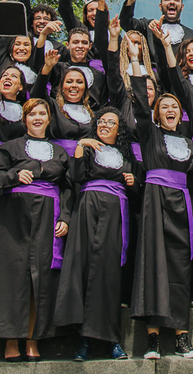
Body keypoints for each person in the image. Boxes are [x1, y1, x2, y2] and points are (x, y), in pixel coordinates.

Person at [119, 20, 193, 360]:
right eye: (164, 108)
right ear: (157, 114)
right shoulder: (150, 135)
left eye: (175, 108)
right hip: (155, 204)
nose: (170, 111)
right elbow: (140, 101)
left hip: (182, 209)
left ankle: (182, 339)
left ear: (180, 115)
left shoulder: (189, 145)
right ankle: (153, 340)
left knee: (180, 269)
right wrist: (138, 59)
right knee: (154, 266)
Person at [0, 99, 72, 361]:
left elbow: (68, 187)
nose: (37, 118)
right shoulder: (9, 148)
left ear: (49, 119)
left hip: (48, 217)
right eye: (32, 114)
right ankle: (10, 340)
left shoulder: (60, 152)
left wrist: (65, 216)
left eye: (42, 114)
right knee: (12, 277)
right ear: (24, 119)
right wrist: (14, 176)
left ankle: (32, 338)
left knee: (39, 279)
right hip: (12, 218)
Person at [53, 102, 139, 361]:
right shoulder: (87, 150)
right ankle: (84, 341)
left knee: (109, 274)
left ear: (119, 130)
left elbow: (135, 194)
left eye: (111, 123)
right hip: (87, 211)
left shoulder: (126, 157)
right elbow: (77, 176)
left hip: (116, 214)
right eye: (101, 122)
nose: (105, 125)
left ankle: (112, 339)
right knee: (83, 270)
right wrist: (80, 147)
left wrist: (134, 183)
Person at [34, 48, 99, 157]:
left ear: (85, 89)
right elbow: (37, 95)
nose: (74, 85)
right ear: (62, 88)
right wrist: (47, 67)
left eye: (79, 82)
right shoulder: (53, 107)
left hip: (83, 163)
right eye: (69, 82)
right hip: (57, 160)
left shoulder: (93, 114)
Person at [120, 0, 193, 65]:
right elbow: (125, 22)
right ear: (160, 6)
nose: (172, 2)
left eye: (176, 0)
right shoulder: (148, 27)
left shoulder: (192, 36)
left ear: (182, 7)